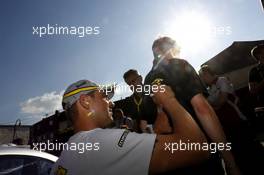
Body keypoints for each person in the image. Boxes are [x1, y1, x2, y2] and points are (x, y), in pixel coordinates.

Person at [50, 79, 209, 175]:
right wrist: (169, 100)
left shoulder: (60, 161)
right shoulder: (104, 143)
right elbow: (197, 148)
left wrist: (155, 133)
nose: (110, 102)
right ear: (85, 101)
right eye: (104, 97)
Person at [144, 36, 240, 175]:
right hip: (199, 150)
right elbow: (202, 109)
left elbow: (150, 126)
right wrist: (230, 162)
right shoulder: (179, 64)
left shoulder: (147, 80)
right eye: (171, 47)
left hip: (171, 157)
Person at [199, 65, 264, 175]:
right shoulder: (208, 90)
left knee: (252, 150)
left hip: (238, 122)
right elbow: (212, 107)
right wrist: (215, 105)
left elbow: (222, 100)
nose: (201, 79)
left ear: (208, 74)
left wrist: (215, 105)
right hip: (225, 128)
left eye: (202, 75)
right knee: (240, 156)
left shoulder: (222, 80)